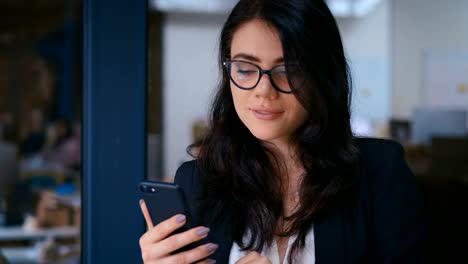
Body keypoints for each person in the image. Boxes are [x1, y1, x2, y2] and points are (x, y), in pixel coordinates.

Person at [139, 0, 426, 263]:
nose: (263, 91)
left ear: (322, 75)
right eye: (245, 68)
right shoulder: (197, 182)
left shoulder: (379, 172)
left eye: (287, 70)